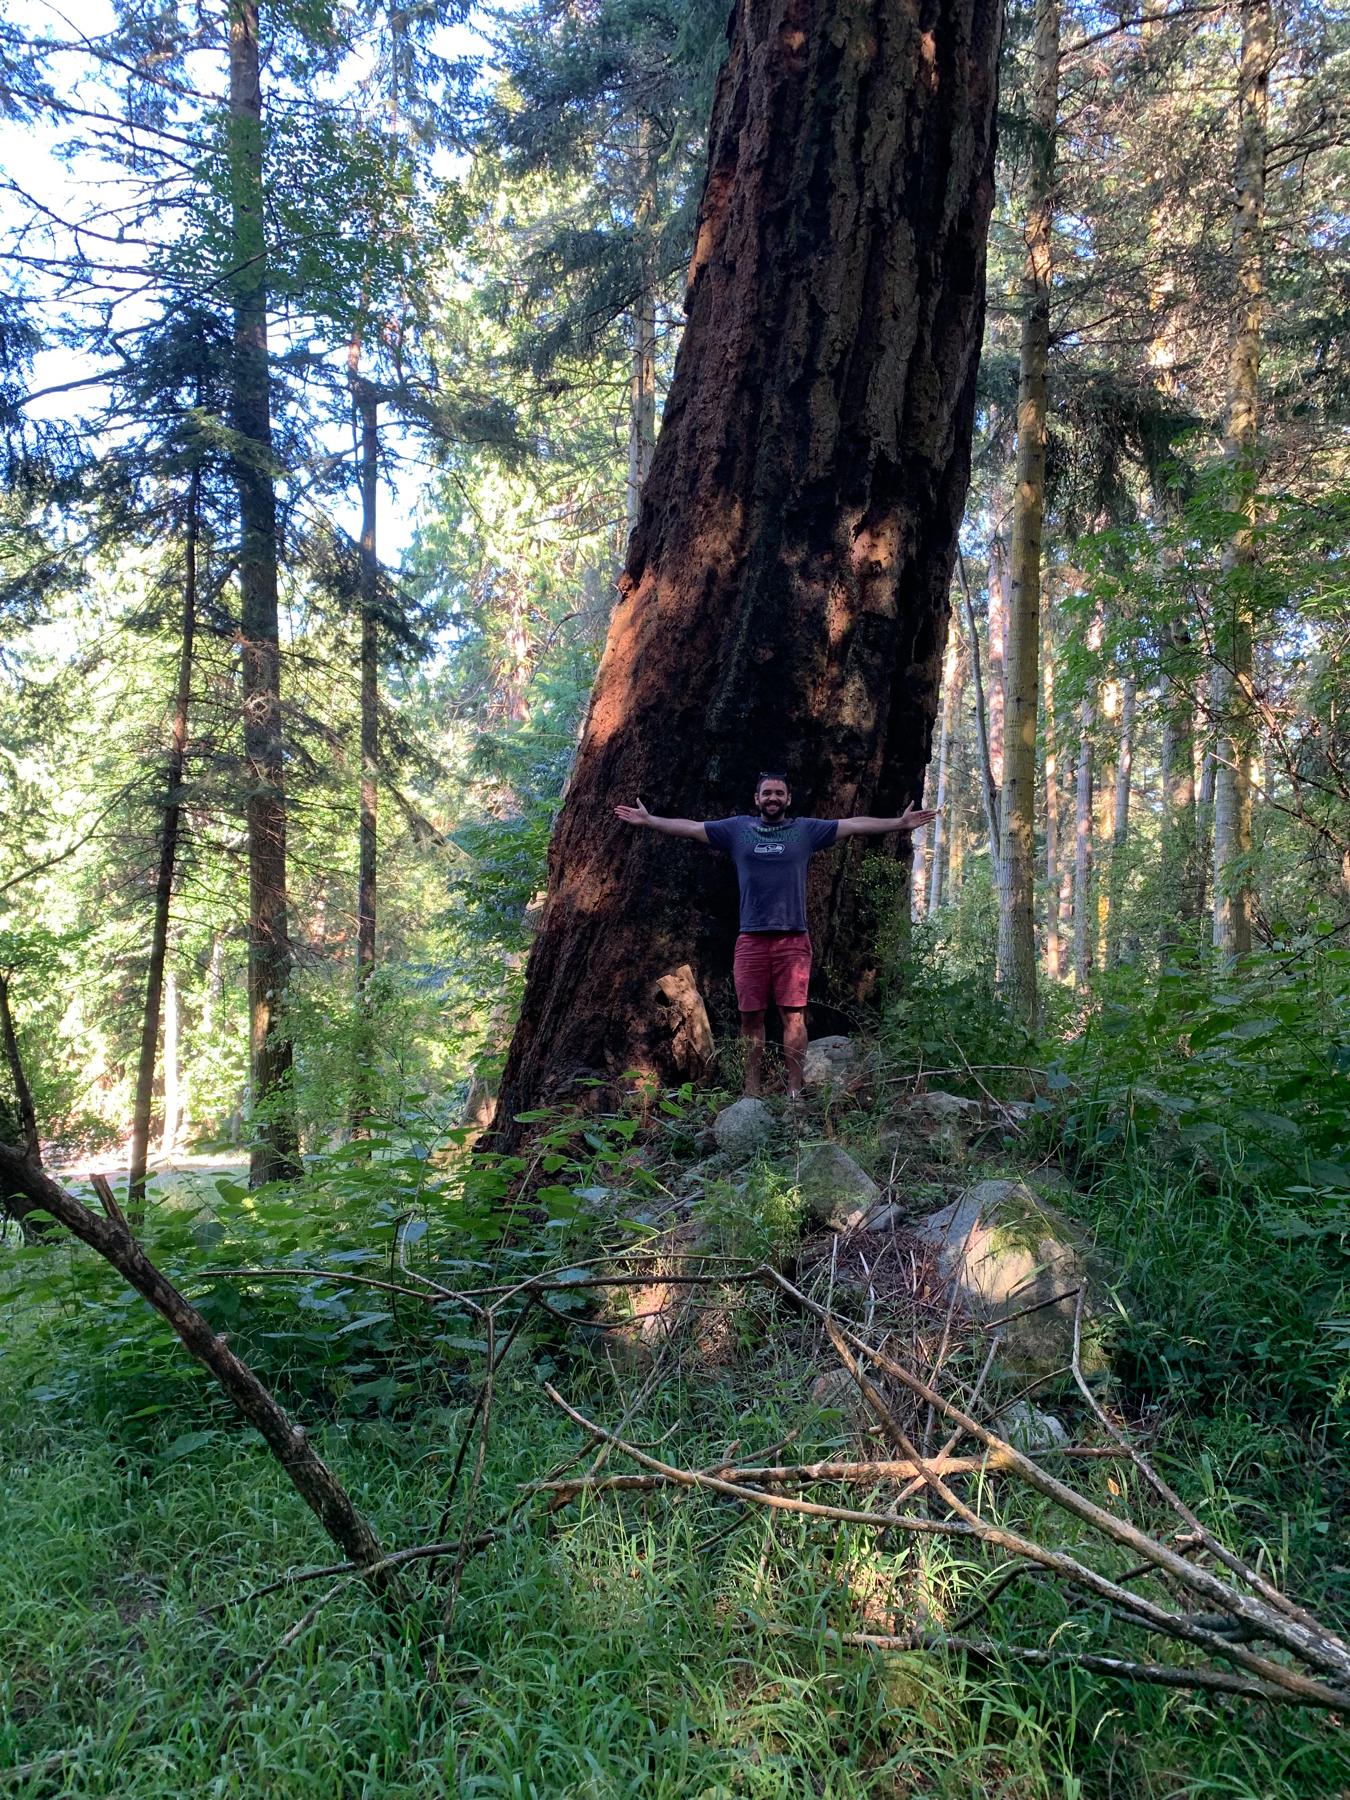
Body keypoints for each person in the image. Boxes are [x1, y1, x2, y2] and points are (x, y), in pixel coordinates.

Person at [614, 773, 937, 1097]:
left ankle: (794, 1092)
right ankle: (751, 1093)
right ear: (757, 800)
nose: (772, 798)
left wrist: (899, 824)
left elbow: (852, 825)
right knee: (750, 1017)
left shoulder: (805, 831)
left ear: (788, 799)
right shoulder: (738, 829)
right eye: (767, 793)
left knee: (793, 1016)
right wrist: (650, 820)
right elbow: (693, 828)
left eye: (778, 793)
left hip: (793, 940)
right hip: (751, 940)